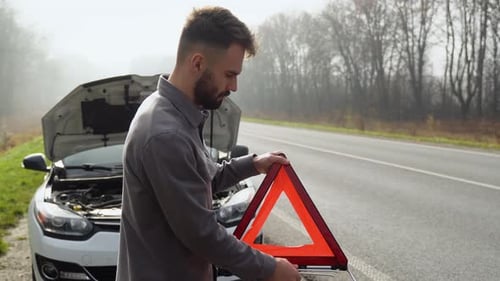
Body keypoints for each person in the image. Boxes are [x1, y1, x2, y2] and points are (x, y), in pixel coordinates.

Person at [116, 6, 301, 281]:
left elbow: (202, 179)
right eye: (229, 74)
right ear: (198, 63)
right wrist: (271, 270)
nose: (234, 86)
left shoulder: (172, 112)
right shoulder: (166, 134)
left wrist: (252, 164)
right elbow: (203, 235)